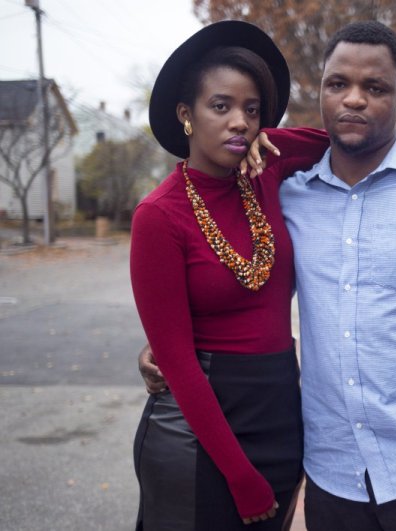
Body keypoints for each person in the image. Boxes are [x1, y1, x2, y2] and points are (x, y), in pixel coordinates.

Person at [142, 20, 396, 531]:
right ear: (322, 92)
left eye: (374, 88)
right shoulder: (288, 194)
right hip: (331, 479)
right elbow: (209, 270)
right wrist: (162, 345)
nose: (353, 100)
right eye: (338, 85)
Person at [130, 20, 328, 530]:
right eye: (221, 106)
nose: (239, 121)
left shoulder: (266, 177)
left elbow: (339, 139)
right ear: (186, 116)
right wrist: (239, 476)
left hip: (280, 413)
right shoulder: (159, 216)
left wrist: (270, 138)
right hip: (196, 433)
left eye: (251, 109)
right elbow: (175, 360)